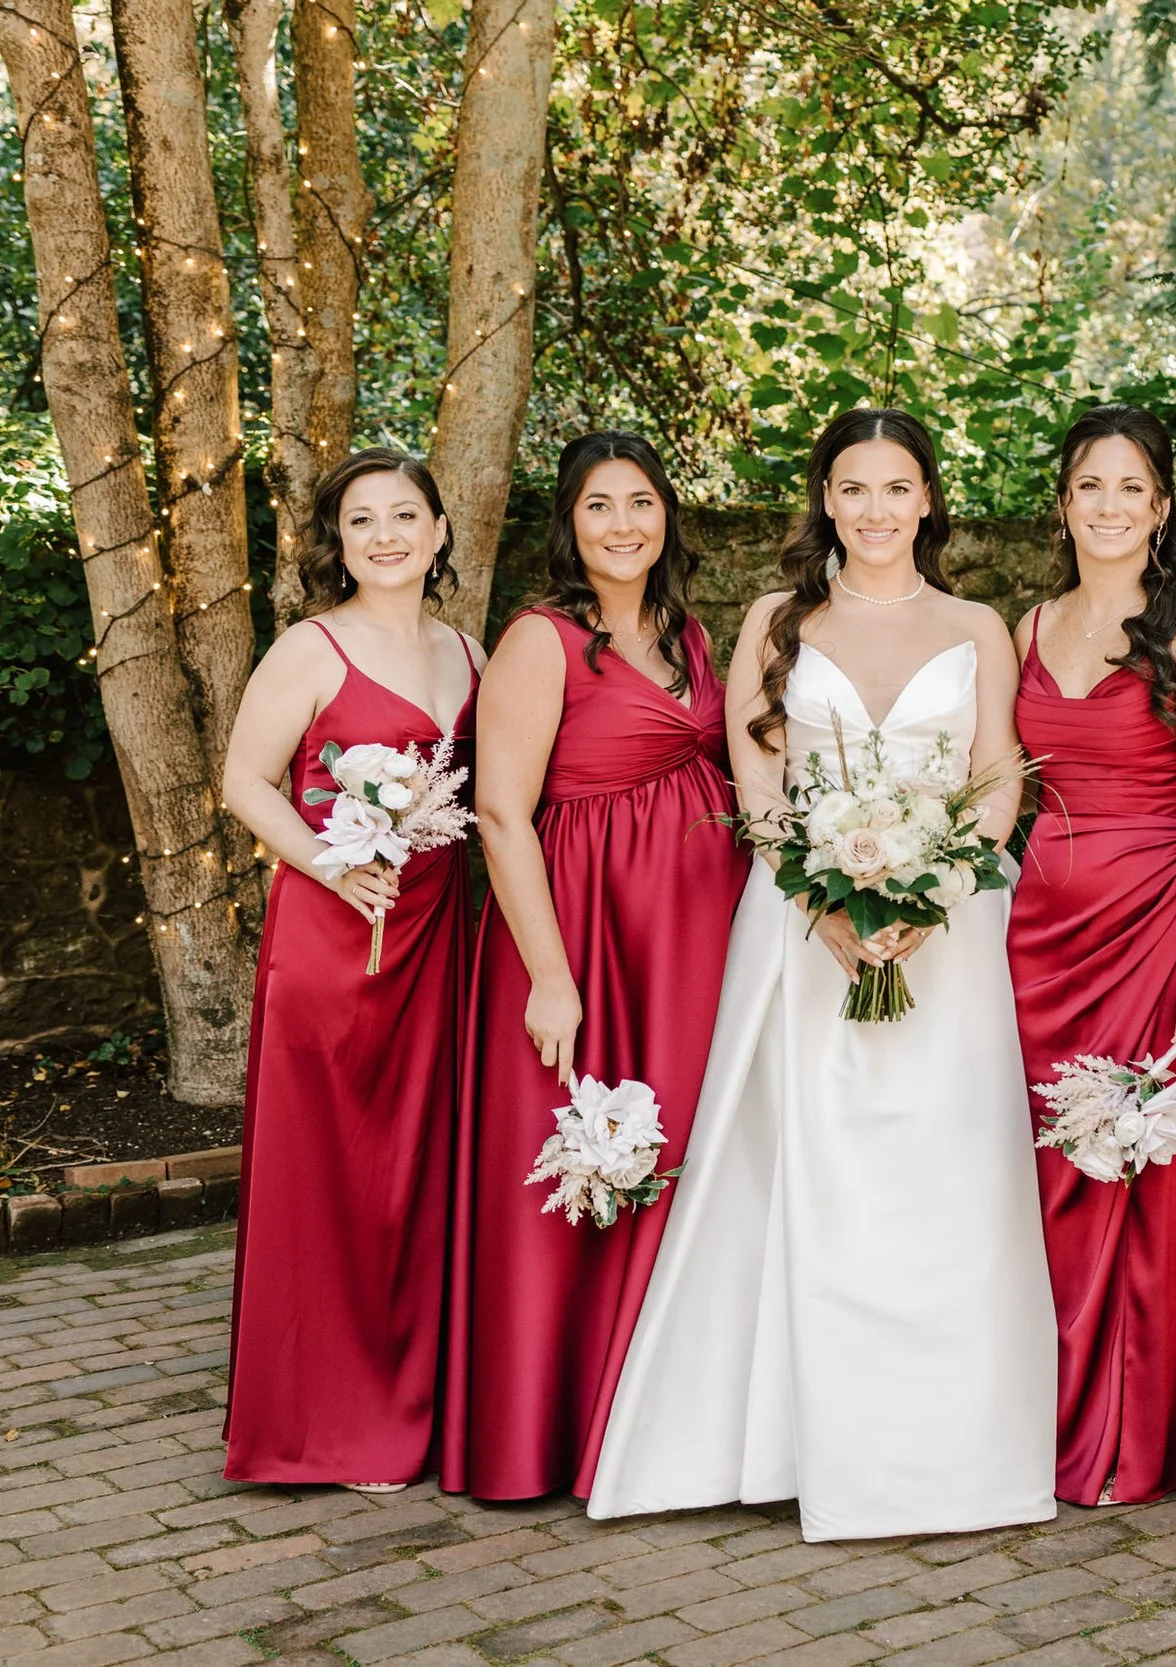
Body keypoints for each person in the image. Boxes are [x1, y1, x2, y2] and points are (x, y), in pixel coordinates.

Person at [585, 408, 1057, 1542]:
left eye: (898, 487)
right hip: (802, 931)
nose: (876, 509)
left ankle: (944, 1449)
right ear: (824, 500)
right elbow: (755, 784)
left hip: (946, 936)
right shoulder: (772, 620)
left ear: (930, 501)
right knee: (806, 1163)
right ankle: (791, 1441)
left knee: (940, 1171)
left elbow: (999, 779)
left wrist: (933, 893)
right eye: (853, 487)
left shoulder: (980, 624)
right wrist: (822, 900)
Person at [441, 432, 748, 1502]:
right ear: (568, 524)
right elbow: (499, 811)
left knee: (687, 1153)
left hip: (694, 937)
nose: (624, 524)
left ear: (668, 514)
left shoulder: (689, 634)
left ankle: (663, 1421)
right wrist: (553, 974)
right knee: (579, 1157)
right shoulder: (542, 638)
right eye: (599, 506)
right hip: (585, 928)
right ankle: (549, 1429)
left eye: (642, 502)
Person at [219, 448, 483, 1491]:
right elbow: (243, 780)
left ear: (438, 529)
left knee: (414, 1171)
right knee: (330, 1173)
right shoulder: (309, 647)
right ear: (338, 542)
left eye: (404, 514)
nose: (385, 535)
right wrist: (336, 864)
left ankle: (413, 1402)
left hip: (434, 940)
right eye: (362, 519)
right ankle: (323, 1422)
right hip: (335, 938)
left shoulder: (471, 650)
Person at [1007, 405, 1176, 1509]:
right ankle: (1031, 1405)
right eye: (1087, 486)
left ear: (1161, 506)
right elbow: (999, 797)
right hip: (1037, 936)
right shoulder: (1025, 626)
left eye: (1129, 487)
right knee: (1045, 1166)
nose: (1107, 505)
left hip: (1152, 927)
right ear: (1064, 503)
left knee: (1139, 1171)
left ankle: (1128, 1431)